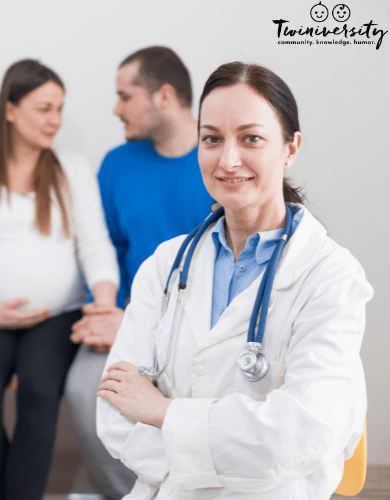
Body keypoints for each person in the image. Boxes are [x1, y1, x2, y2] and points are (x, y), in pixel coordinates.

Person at [96, 62, 373, 500]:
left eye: (251, 138)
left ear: (290, 148)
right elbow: (115, 417)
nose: (228, 160)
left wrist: (162, 412)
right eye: (212, 139)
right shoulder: (165, 266)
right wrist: (234, 456)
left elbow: (298, 436)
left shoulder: (329, 276)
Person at [0, 59, 118, 500]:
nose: (55, 120)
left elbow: (95, 247)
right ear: (11, 109)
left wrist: (106, 300)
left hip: (55, 316)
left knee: (39, 390)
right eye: (44, 108)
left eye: (59, 109)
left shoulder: (71, 171)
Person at [65, 46, 213, 499]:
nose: (116, 108)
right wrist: (108, 308)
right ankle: (128, 492)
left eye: (125, 96)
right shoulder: (117, 164)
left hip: (198, 324)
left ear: (163, 96)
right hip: (126, 314)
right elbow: (104, 245)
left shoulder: (218, 164)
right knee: (83, 391)